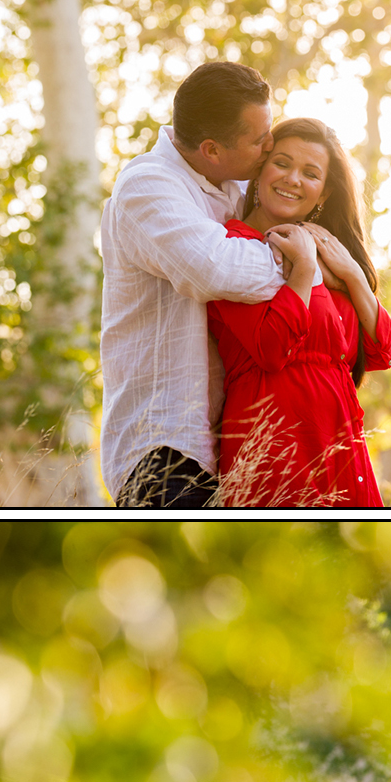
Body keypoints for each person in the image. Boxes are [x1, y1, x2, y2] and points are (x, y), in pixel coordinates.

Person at [99, 59, 297, 513]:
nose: (270, 146)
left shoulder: (229, 186)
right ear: (211, 149)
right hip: (165, 451)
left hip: (225, 451)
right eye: (259, 139)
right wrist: (303, 262)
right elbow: (212, 269)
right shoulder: (146, 185)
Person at [205, 112, 391, 509]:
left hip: (340, 441)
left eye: (310, 173)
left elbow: (382, 351)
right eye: (282, 163)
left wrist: (352, 276)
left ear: (323, 194)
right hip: (273, 440)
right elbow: (272, 349)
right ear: (260, 171)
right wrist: (306, 271)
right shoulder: (234, 245)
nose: (293, 179)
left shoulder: (329, 251)